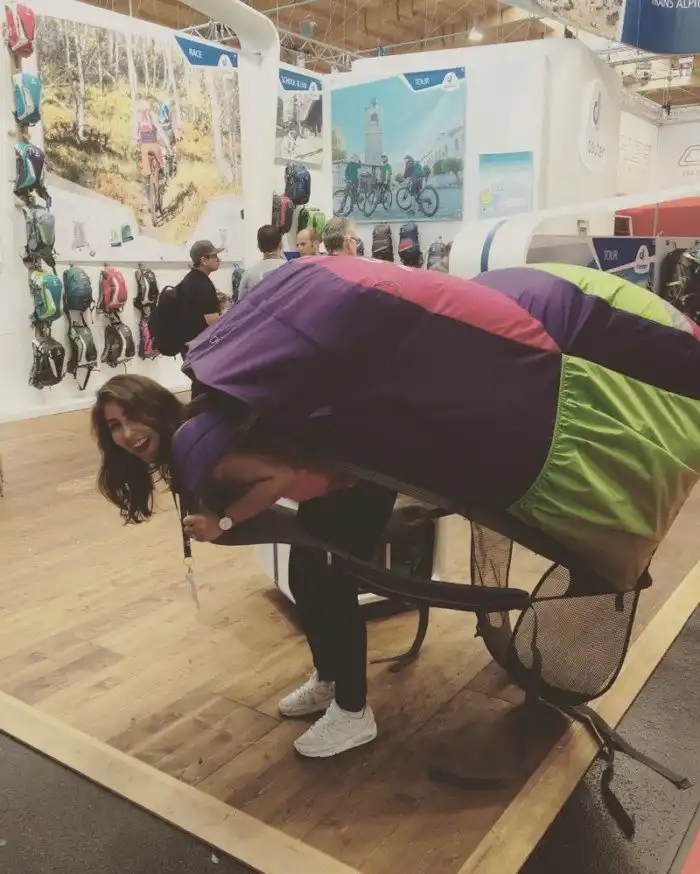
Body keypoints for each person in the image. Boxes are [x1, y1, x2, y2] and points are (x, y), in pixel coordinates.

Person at [91, 373, 393, 758]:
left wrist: (224, 521)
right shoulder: (186, 445)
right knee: (305, 577)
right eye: (115, 425)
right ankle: (330, 680)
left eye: (134, 417)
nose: (128, 433)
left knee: (334, 588)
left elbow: (279, 476)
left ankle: (353, 712)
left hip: (360, 481)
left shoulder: (205, 449)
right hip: (327, 486)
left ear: (156, 408)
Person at [178, 240, 224, 397]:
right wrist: (227, 314)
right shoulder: (203, 285)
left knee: (199, 385)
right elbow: (213, 323)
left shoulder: (189, 280)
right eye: (215, 256)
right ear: (204, 260)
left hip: (188, 344)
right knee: (205, 388)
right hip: (199, 346)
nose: (219, 259)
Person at [134, 99, 170, 207]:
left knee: (146, 171)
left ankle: (148, 193)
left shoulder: (138, 117)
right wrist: (168, 146)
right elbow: (160, 131)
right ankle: (161, 175)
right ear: (149, 107)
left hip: (144, 147)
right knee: (160, 162)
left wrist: (137, 143)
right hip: (154, 145)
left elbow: (135, 134)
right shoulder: (152, 116)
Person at [238, 225, 287, 301]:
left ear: (259, 246)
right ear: (280, 245)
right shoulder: (292, 268)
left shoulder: (249, 273)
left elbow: (240, 303)